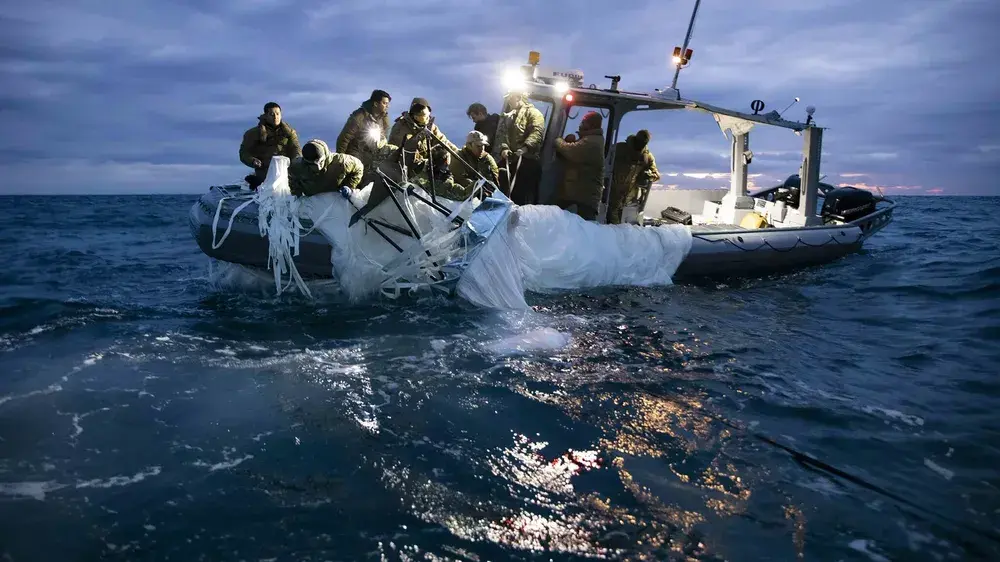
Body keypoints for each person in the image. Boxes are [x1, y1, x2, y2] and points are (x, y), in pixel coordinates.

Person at [492, 92, 544, 204]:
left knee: (521, 193)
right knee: (499, 180)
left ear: (518, 97)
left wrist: (526, 147)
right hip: (511, 159)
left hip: (527, 160)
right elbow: (503, 134)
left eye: (510, 98)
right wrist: (504, 148)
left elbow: (537, 132)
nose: (509, 101)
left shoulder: (534, 114)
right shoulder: (509, 116)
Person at [553, 111, 605, 221]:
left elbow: (570, 151)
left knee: (583, 228)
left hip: (585, 197)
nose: (580, 124)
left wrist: (558, 141)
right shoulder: (590, 140)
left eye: (583, 122)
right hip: (581, 193)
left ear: (590, 125)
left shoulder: (592, 142)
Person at [239, 102, 301, 189]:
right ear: (265, 116)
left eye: (278, 114)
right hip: (264, 174)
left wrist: (296, 161)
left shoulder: (289, 133)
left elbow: (296, 148)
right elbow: (244, 153)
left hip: (286, 173)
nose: (275, 117)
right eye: (272, 114)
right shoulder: (253, 133)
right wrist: (252, 161)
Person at [607, 129, 661, 224]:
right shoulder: (619, 149)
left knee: (626, 220)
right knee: (611, 216)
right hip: (613, 191)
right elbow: (605, 160)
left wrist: (647, 175)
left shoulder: (647, 156)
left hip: (631, 196)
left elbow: (656, 175)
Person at [388, 97, 458, 168]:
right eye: (418, 114)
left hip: (428, 165)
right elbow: (400, 152)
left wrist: (457, 152)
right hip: (406, 167)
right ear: (413, 114)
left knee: (443, 153)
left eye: (425, 115)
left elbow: (443, 141)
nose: (422, 117)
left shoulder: (431, 127)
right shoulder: (400, 127)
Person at [288, 139, 364, 197]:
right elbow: (292, 179)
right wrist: (297, 193)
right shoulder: (297, 166)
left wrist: (349, 186)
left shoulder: (341, 162)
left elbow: (359, 167)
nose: (318, 167)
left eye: (321, 162)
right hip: (313, 202)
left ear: (325, 156)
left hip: (337, 199)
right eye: (313, 164)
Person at [335, 89, 392, 166]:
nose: (387, 106)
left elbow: (384, 137)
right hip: (355, 155)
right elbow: (344, 138)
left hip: (372, 157)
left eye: (388, 103)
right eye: (384, 103)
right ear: (375, 104)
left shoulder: (384, 118)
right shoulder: (359, 117)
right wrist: (340, 160)